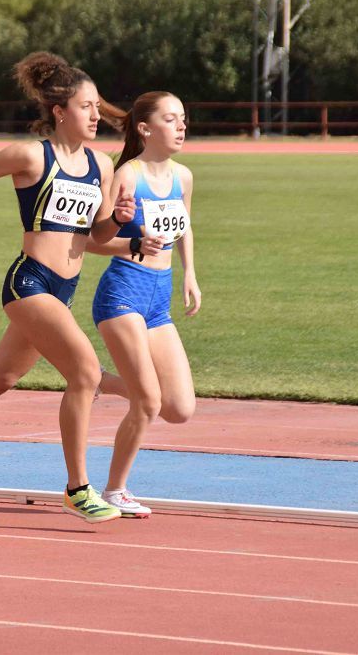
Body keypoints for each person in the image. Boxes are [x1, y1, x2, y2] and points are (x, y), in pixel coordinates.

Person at [0, 52, 135, 524]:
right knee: (84, 372)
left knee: (0, 378)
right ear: (60, 112)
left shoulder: (102, 166)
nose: (96, 116)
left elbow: (92, 236)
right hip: (29, 283)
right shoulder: (33, 154)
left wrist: (123, 229)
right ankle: (78, 488)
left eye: (98, 107)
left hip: (63, 290)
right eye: (86, 107)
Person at [86, 91, 199, 518]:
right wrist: (131, 239)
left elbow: (185, 226)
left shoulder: (183, 177)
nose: (181, 126)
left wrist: (189, 273)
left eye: (183, 119)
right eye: (171, 119)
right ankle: (115, 489)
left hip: (159, 297)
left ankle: (100, 381)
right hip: (122, 296)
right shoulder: (125, 176)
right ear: (145, 128)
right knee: (149, 401)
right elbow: (92, 239)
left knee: (179, 408)